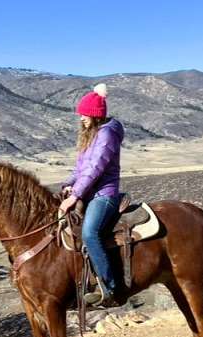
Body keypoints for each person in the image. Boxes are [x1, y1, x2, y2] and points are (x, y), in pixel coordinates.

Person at [59, 83, 124, 305]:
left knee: (89, 233)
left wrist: (75, 195)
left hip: (104, 194)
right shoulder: (91, 134)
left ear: (95, 115)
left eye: (84, 114)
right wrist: (68, 185)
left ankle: (110, 287)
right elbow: (81, 169)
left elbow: (95, 168)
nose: (81, 118)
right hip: (89, 191)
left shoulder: (107, 135)